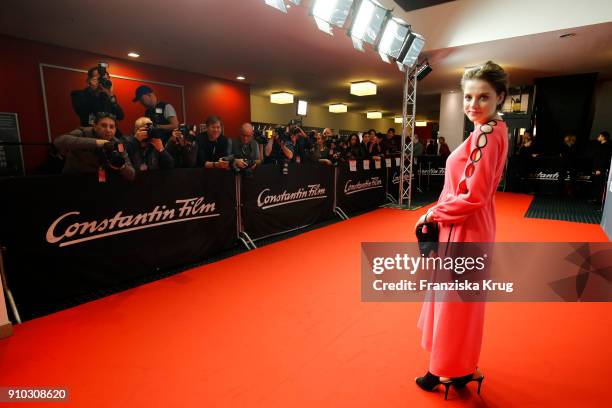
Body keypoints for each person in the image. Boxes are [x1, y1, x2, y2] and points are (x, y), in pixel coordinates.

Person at [414, 60, 509, 399]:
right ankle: (455, 368)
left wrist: (431, 214)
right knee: (460, 303)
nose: (473, 105)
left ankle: (447, 369)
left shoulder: (486, 133)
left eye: (483, 97)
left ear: (500, 97)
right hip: (468, 227)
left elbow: (473, 197)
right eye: (468, 96)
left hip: (465, 227)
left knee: (456, 304)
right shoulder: (495, 129)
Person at [54, 112, 135, 180]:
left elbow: (131, 175)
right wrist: (97, 143)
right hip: (74, 179)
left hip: (99, 180)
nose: (108, 130)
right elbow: (59, 141)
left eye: (112, 127)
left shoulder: (118, 144)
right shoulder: (83, 133)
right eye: (103, 125)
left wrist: (121, 166)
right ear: (95, 126)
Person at [591, 131, 611, 204]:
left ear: (603, 137)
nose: (598, 137)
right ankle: (595, 199)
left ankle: (598, 200)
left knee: (599, 184)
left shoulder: (606, 147)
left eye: (599, 136)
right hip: (596, 168)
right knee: (595, 183)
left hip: (600, 169)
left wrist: (599, 169)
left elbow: (603, 159)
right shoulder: (600, 145)